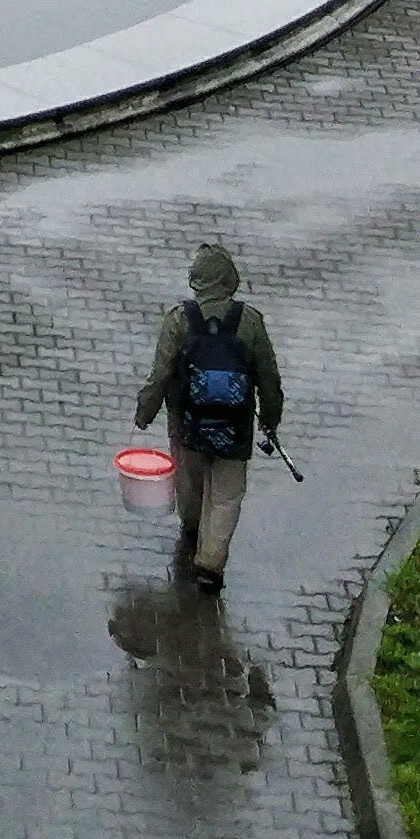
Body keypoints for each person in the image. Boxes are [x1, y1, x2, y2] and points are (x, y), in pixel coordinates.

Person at [133, 241, 285, 589]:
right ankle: (211, 562)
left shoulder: (179, 319)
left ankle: (192, 529)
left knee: (191, 482)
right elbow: (269, 379)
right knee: (226, 495)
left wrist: (145, 412)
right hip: (235, 426)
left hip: (188, 423)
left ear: (196, 280)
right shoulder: (250, 322)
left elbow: (160, 374)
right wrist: (270, 419)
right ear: (230, 279)